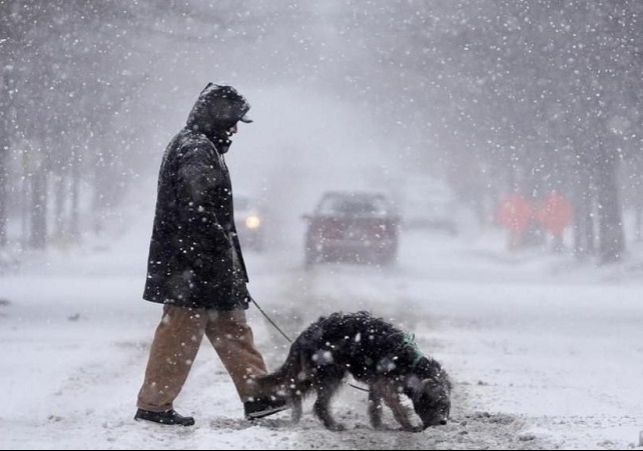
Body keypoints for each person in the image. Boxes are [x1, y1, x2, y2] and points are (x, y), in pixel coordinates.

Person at [134, 83, 288, 427]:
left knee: (231, 326)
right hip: (192, 264)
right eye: (232, 121)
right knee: (180, 332)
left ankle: (258, 395)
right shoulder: (195, 149)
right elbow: (196, 208)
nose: (235, 129)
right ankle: (154, 404)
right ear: (216, 117)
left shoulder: (200, 146)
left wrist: (225, 261)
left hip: (204, 262)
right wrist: (214, 253)